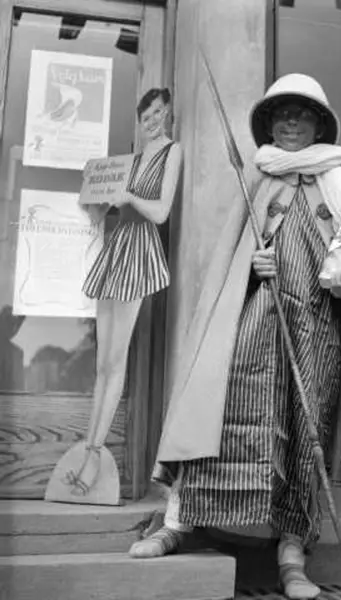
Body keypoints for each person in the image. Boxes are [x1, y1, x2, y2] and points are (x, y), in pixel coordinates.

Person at [130, 74, 341, 600]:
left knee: (306, 432)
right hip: (257, 319)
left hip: (320, 325)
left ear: (319, 126)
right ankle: (178, 523)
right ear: (270, 124)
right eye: (281, 114)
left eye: (301, 114)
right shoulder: (259, 176)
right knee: (223, 412)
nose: (290, 123)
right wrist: (253, 267)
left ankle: (293, 553)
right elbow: (230, 261)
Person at [64, 88, 183, 496]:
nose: (152, 120)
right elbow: (102, 213)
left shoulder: (172, 153)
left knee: (116, 359)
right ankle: (88, 451)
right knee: (102, 363)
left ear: (168, 113)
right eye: (145, 115)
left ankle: (94, 459)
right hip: (116, 248)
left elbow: (160, 212)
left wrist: (128, 195)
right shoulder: (131, 159)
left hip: (139, 250)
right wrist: (93, 195)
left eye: (158, 112)